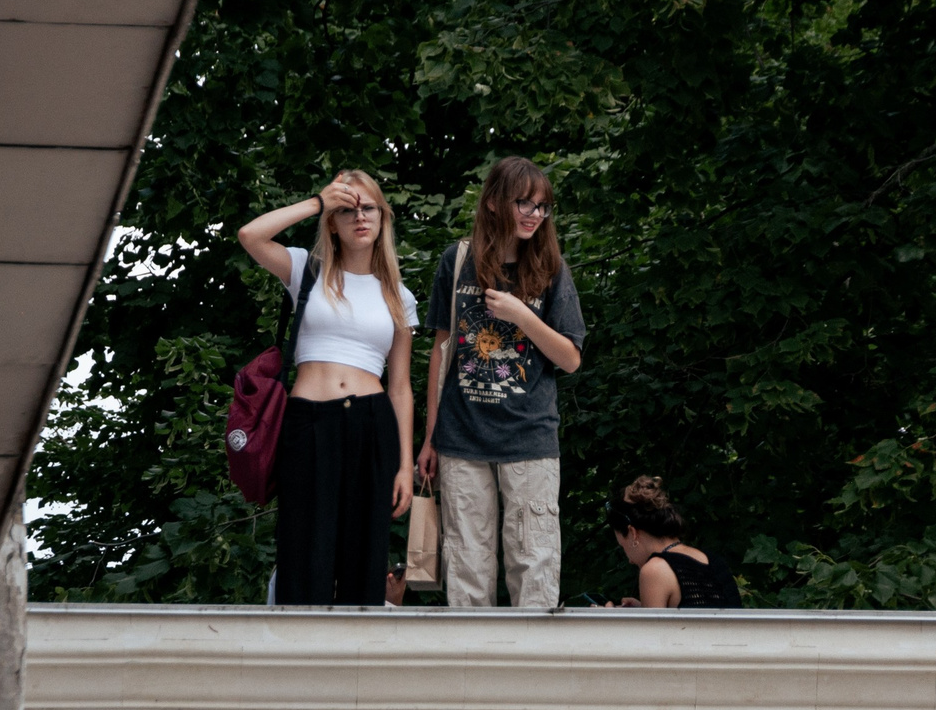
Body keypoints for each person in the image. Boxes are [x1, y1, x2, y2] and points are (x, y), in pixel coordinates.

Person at [237, 172, 417, 604]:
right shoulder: (306, 270)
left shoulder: (397, 295)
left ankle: (357, 660)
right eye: (346, 210)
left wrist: (405, 466)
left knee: (363, 551)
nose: (359, 217)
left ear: (382, 218)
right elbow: (250, 235)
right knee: (304, 546)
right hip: (308, 421)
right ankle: (297, 660)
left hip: (372, 423)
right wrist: (317, 202)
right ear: (332, 223)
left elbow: (401, 387)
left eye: (368, 208)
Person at [417, 157, 585, 608]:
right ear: (493, 203)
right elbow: (441, 351)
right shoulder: (458, 262)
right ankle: (472, 672)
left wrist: (522, 315)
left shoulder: (551, 268)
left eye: (542, 206)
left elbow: (570, 358)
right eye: (523, 202)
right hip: (461, 437)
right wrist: (430, 436)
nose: (534, 213)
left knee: (534, 564)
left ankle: (533, 674)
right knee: (467, 567)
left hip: (529, 437)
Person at [609, 475, 743, 608]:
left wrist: (610, 619)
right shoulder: (715, 561)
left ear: (633, 533)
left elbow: (651, 630)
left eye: (623, 546)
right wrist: (641, 609)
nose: (630, 560)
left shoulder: (654, 569)